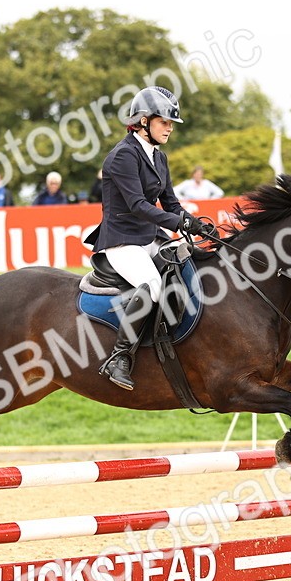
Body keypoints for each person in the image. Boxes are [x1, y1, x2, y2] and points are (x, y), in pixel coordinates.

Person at [83, 85, 211, 390]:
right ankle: (119, 357)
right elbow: (139, 206)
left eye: (170, 124)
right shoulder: (122, 156)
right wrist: (178, 222)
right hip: (121, 241)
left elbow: (170, 203)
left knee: (187, 261)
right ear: (143, 121)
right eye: (164, 122)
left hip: (147, 236)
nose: (169, 128)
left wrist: (193, 222)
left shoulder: (159, 157)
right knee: (152, 287)